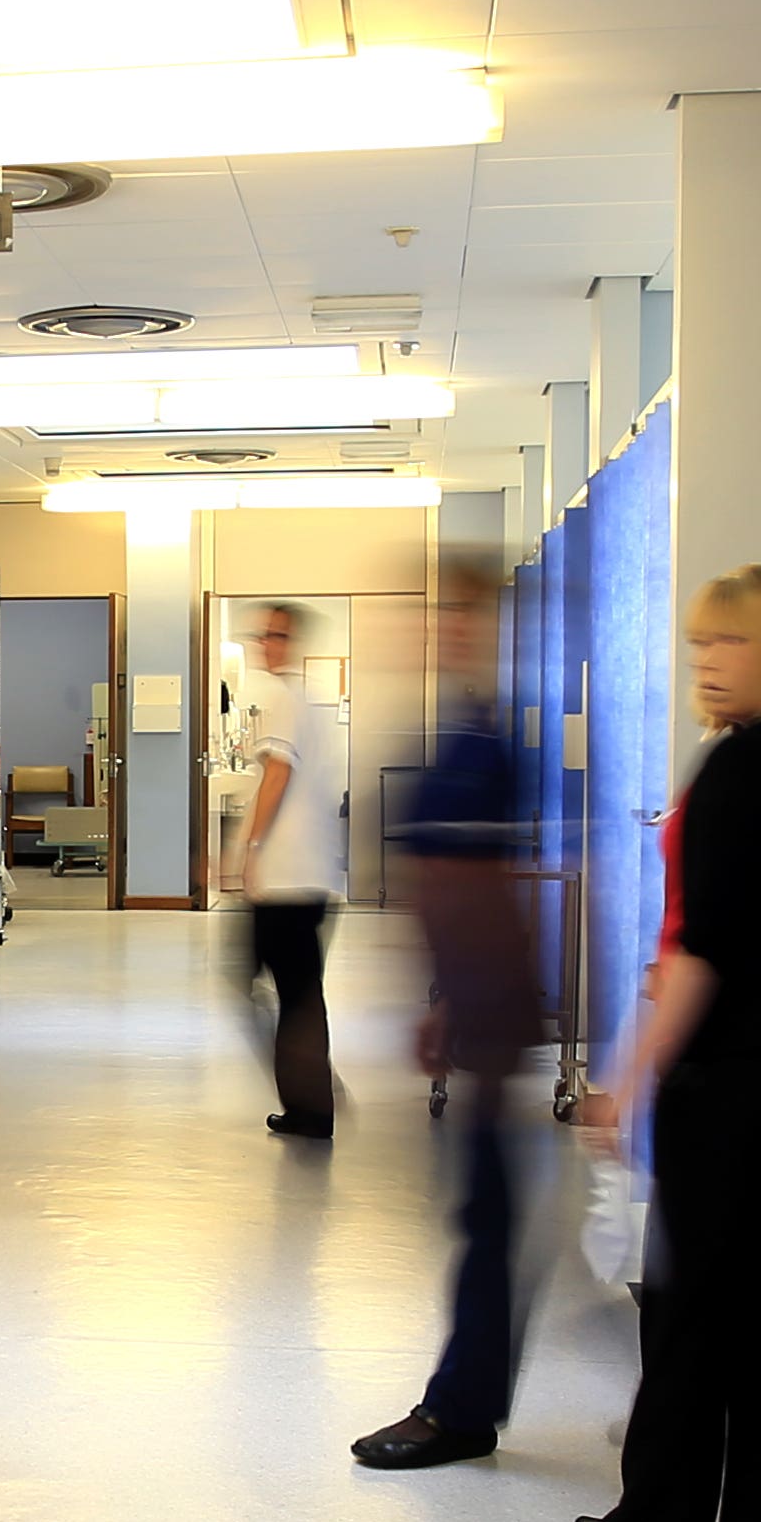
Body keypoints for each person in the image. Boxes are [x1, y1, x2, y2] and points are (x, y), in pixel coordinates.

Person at [571, 565, 761, 1522]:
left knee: (686, 1311)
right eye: (700, 644)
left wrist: (627, 1079)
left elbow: (701, 953)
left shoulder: (740, 768)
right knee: (760, 1313)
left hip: (723, 1082)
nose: (706, 662)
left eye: (730, 641)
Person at [353, 582, 544, 1470]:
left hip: (490, 1004)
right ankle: (465, 1399)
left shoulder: (478, 745)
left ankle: (461, 1410)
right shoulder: (461, 734)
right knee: (486, 1208)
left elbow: (474, 890)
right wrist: (440, 999)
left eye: (454, 617)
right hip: (475, 998)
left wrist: (469, 1004)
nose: (433, 633)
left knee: (489, 1211)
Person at [226, 602, 346, 1139]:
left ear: (293, 644)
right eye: (264, 635)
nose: (266, 644)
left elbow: (277, 774)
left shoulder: (282, 699)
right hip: (307, 876)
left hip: (287, 880)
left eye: (276, 636)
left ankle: (312, 1101)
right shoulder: (306, 702)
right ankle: (311, 1094)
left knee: (278, 990)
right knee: (294, 992)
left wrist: (251, 848)